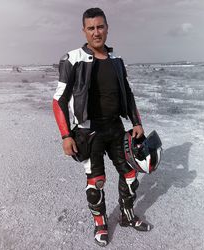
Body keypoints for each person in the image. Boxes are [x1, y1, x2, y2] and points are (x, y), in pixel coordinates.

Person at [52, 7, 151, 247]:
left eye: (100, 26)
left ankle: (127, 216)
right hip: (88, 132)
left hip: (115, 128)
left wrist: (136, 122)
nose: (97, 32)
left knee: (130, 176)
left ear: (107, 28)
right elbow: (59, 100)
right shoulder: (72, 59)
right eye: (91, 28)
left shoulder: (117, 60)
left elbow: (127, 93)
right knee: (96, 181)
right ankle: (100, 223)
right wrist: (66, 136)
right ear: (84, 31)